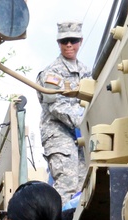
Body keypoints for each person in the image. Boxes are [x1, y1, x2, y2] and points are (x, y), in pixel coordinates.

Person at [37, 21, 89, 204]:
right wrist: (83, 118)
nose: (69, 45)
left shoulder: (86, 72)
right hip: (58, 134)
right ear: (58, 43)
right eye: (64, 41)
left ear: (80, 41)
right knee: (67, 184)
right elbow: (55, 105)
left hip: (80, 136)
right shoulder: (52, 72)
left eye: (73, 40)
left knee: (84, 186)